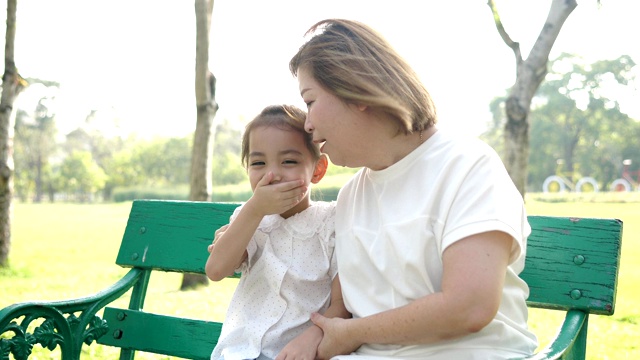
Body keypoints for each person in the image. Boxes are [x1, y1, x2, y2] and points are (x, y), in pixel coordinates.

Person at [289, 19, 539, 359]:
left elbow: (470, 307)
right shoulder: (351, 195)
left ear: (355, 89)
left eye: (310, 101)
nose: (307, 124)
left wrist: (353, 333)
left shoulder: (467, 166)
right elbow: (345, 303)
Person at [205, 104, 350, 360]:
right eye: (258, 162)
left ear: (317, 170)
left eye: (289, 161)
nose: (272, 175)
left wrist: (315, 335)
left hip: (296, 353)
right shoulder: (248, 217)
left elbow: (341, 305)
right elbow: (216, 270)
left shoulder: (331, 222)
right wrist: (254, 210)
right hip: (238, 352)